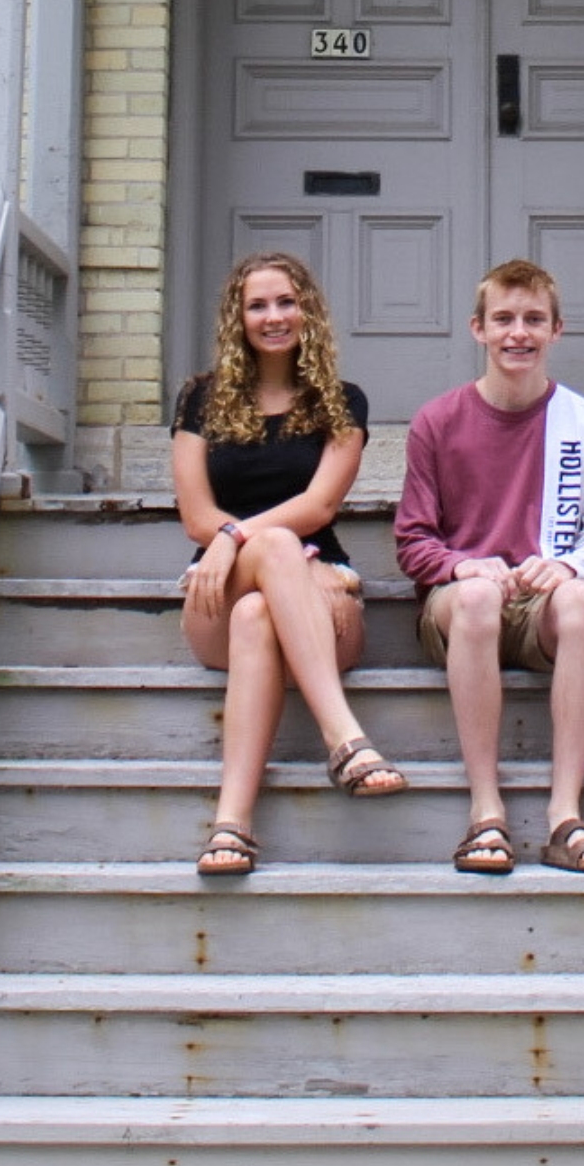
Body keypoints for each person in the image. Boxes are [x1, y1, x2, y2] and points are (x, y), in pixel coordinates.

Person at [172, 251, 404, 877]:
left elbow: (320, 504)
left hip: (320, 596)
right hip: (214, 592)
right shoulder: (200, 398)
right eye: (258, 305)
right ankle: (345, 741)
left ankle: (230, 824)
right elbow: (195, 513)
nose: (273, 317)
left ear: (308, 311)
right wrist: (224, 542)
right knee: (267, 558)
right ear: (237, 317)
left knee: (257, 615)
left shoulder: (340, 401)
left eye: (285, 302)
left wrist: (231, 535)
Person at [394, 259, 584, 875]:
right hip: (463, 607)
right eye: (503, 319)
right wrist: (464, 567)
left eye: (532, 320)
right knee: (474, 601)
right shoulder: (437, 422)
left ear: (557, 330)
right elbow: (413, 543)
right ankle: (486, 813)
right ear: (478, 329)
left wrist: (571, 569)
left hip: (539, 606)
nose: (517, 333)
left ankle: (564, 817)